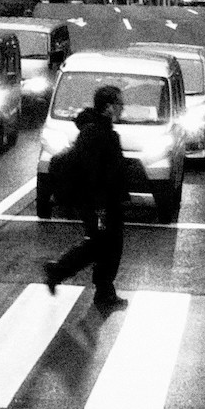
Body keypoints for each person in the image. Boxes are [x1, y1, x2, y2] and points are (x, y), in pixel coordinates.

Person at [43, 85, 130, 313]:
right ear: (109, 107)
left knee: (107, 242)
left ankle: (102, 290)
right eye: (120, 104)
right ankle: (60, 271)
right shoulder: (96, 133)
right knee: (102, 241)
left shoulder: (100, 130)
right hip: (100, 204)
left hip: (104, 201)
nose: (123, 108)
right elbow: (94, 172)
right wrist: (102, 203)